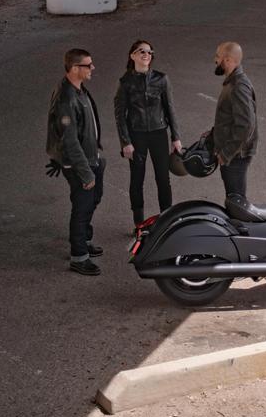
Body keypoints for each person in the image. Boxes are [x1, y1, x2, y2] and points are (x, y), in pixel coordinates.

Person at [45, 48, 105, 276]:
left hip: (90, 157)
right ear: (74, 68)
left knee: (93, 198)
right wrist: (85, 173)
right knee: (82, 206)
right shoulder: (67, 98)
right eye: (88, 65)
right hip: (80, 164)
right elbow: (69, 140)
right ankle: (79, 256)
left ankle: (85, 240)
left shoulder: (79, 89)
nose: (93, 68)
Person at [114, 40, 182, 227]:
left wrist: (175, 137)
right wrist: (125, 142)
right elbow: (120, 115)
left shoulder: (161, 79)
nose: (146, 55)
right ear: (133, 55)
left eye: (149, 52)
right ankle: (139, 224)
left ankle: (167, 220)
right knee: (137, 178)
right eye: (141, 51)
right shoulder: (125, 82)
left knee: (163, 178)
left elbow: (170, 109)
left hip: (159, 134)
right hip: (136, 136)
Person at [212, 42, 258, 198]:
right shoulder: (232, 82)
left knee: (236, 201)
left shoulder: (238, 86)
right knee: (233, 198)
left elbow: (246, 125)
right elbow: (230, 118)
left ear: (228, 60)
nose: (215, 60)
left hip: (236, 156)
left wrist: (226, 154)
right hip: (234, 154)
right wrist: (213, 132)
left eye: (218, 56)